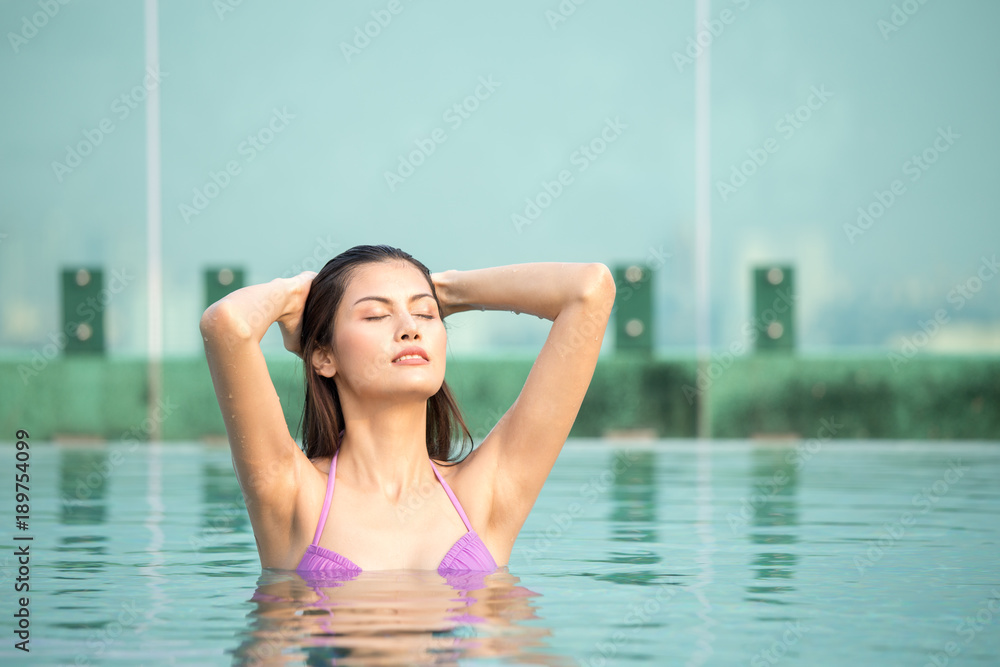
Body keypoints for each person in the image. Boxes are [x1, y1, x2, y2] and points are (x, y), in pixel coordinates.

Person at [199, 244, 615, 576]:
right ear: (324, 355)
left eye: (425, 313)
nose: (410, 326)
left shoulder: (484, 493)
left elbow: (590, 290)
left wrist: (448, 291)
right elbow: (227, 323)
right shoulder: (291, 495)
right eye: (377, 314)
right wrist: (297, 294)